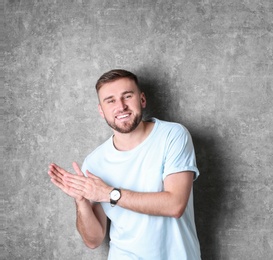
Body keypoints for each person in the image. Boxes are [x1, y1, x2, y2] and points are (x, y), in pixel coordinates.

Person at [48, 69, 201, 259]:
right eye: (110, 101)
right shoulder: (94, 163)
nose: (121, 106)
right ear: (101, 111)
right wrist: (81, 202)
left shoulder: (173, 136)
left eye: (127, 96)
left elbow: (175, 205)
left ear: (142, 99)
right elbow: (93, 240)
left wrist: (108, 193)